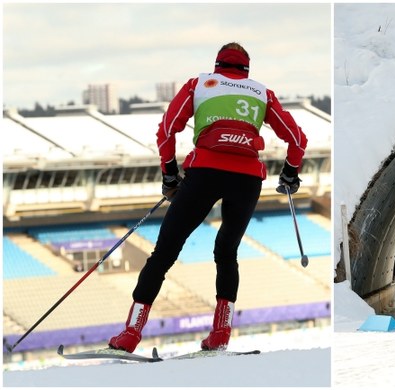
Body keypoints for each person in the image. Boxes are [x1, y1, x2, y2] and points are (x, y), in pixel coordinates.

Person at [108, 42, 307, 352]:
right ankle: (221, 333)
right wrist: (290, 173)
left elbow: (167, 129)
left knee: (164, 253)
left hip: (205, 172)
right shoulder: (261, 93)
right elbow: (297, 139)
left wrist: (170, 175)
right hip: (247, 178)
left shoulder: (198, 84)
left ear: (218, 65)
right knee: (226, 252)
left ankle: (131, 333)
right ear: (247, 68)